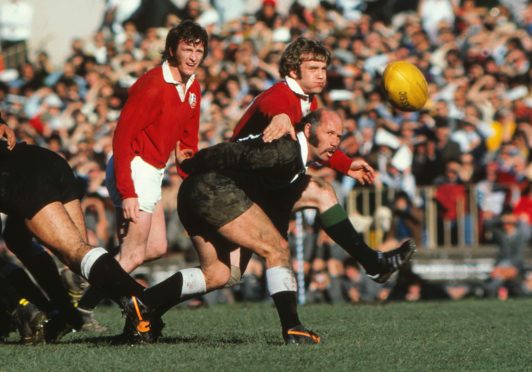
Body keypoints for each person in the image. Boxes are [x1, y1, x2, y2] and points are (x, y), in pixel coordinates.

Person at [134, 108, 415, 344]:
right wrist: (193, 162)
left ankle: (144, 305)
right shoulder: (285, 151)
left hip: (199, 194)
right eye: (330, 133)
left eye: (339, 136)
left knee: (218, 274)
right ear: (307, 130)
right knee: (277, 249)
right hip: (212, 191)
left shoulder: (296, 162)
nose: (335, 142)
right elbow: (236, 153)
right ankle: (292, 327)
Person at [75, 20, 208, 321]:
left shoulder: (193, 86)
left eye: (199, 50)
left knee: (156, 247)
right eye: (187, 49)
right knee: (133, 254)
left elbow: (187, 144)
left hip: (153, 171)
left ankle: (85, 292)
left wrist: (192, 189)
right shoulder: (151, 84)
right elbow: (121, 139)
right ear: (172, 49)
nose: (193, 56)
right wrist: (128, 192)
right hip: (134, 168)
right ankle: (82, 310)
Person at [0, 118, 156, 343]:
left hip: (21, 175)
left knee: (74, 251)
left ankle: (143, 301)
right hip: (46, 160)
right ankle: (67, 313)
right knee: (20, 239)